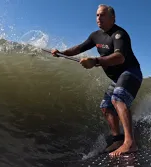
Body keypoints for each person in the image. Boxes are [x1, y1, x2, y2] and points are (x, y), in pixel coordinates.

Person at [51, 4, 143, 157]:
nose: (98, 18)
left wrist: (95, 60)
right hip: (117, 78)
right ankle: (118, 139)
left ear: (112, 18)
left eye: (102, 15)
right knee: (106, 106)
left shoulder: (120, 34)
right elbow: (79, 48)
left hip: (131, 73)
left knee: (118, 98)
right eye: (97, 15)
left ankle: (130, 142)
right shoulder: (95, 36)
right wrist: (61, 52)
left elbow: (119, 58)